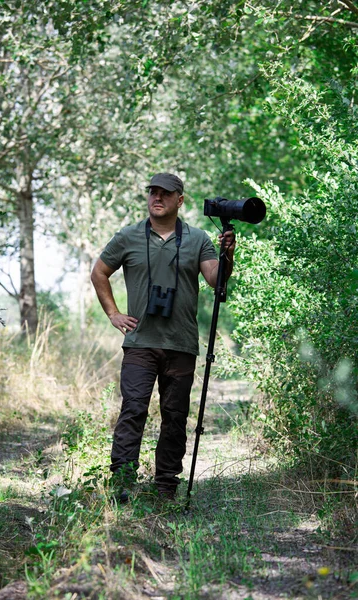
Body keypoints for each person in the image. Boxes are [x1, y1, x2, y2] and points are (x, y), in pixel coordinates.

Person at [91, 173, 236, 502]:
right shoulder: (128, 237)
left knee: (175, 417)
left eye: (165, 193)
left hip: (181, 345)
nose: (157, 197)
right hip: (140, 343)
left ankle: (165, 488)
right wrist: (113, 313)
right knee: (133, 411)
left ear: (179, 200)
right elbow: (99, 272)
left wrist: (228, 253)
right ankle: (123, 485)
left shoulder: (198, 239)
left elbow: (215, 279)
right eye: (153, 192)